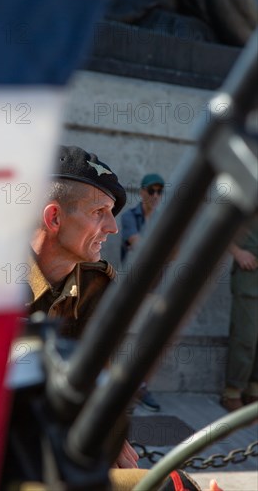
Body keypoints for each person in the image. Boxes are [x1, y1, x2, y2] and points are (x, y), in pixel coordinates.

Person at [26, 145, 223, 491]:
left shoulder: (94, 284)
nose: (112, 227)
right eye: (99, 211)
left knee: (172, 484)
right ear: (54, 218)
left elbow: (97, 379)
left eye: (112, 212)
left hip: (58, 448)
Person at [120, 173, 165, 412]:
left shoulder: (164, 220)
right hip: (134, 289)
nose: (156, 196)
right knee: (128, 339)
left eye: (160, 191)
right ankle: (125, 388)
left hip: (157, 288)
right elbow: (136, 244)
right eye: (152, 190)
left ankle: (142, 386)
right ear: (142, 192)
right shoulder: (130, 217)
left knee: (150, 340)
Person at [221, 217, 258, 412]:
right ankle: (232, 391)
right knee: (246, 335)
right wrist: (238, 253)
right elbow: (223, 226)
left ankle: (254, 391)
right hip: (249, 278)